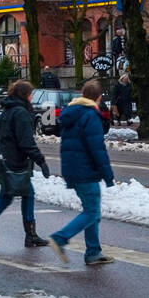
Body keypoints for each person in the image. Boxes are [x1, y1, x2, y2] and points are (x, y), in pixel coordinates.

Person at [47, 80, 116, 266]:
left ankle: (93, 252)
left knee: (92, 211)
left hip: (73, 169)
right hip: (86, 171)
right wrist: (108, 175)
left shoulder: (72, 113)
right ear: (99, 98)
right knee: (92, 212)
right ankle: (60, 238)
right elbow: (97, 149)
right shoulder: (90, 115)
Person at [0, 80, 51, 247]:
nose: (32, 97)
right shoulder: (20, 113)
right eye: (30, 94)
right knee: (7, 198)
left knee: (23, 195)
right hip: (15, 163)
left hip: (5, 161)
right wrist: (40, 160)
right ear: (25, 95)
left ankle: (30, 235)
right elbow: (26, 142)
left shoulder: (7, 111)